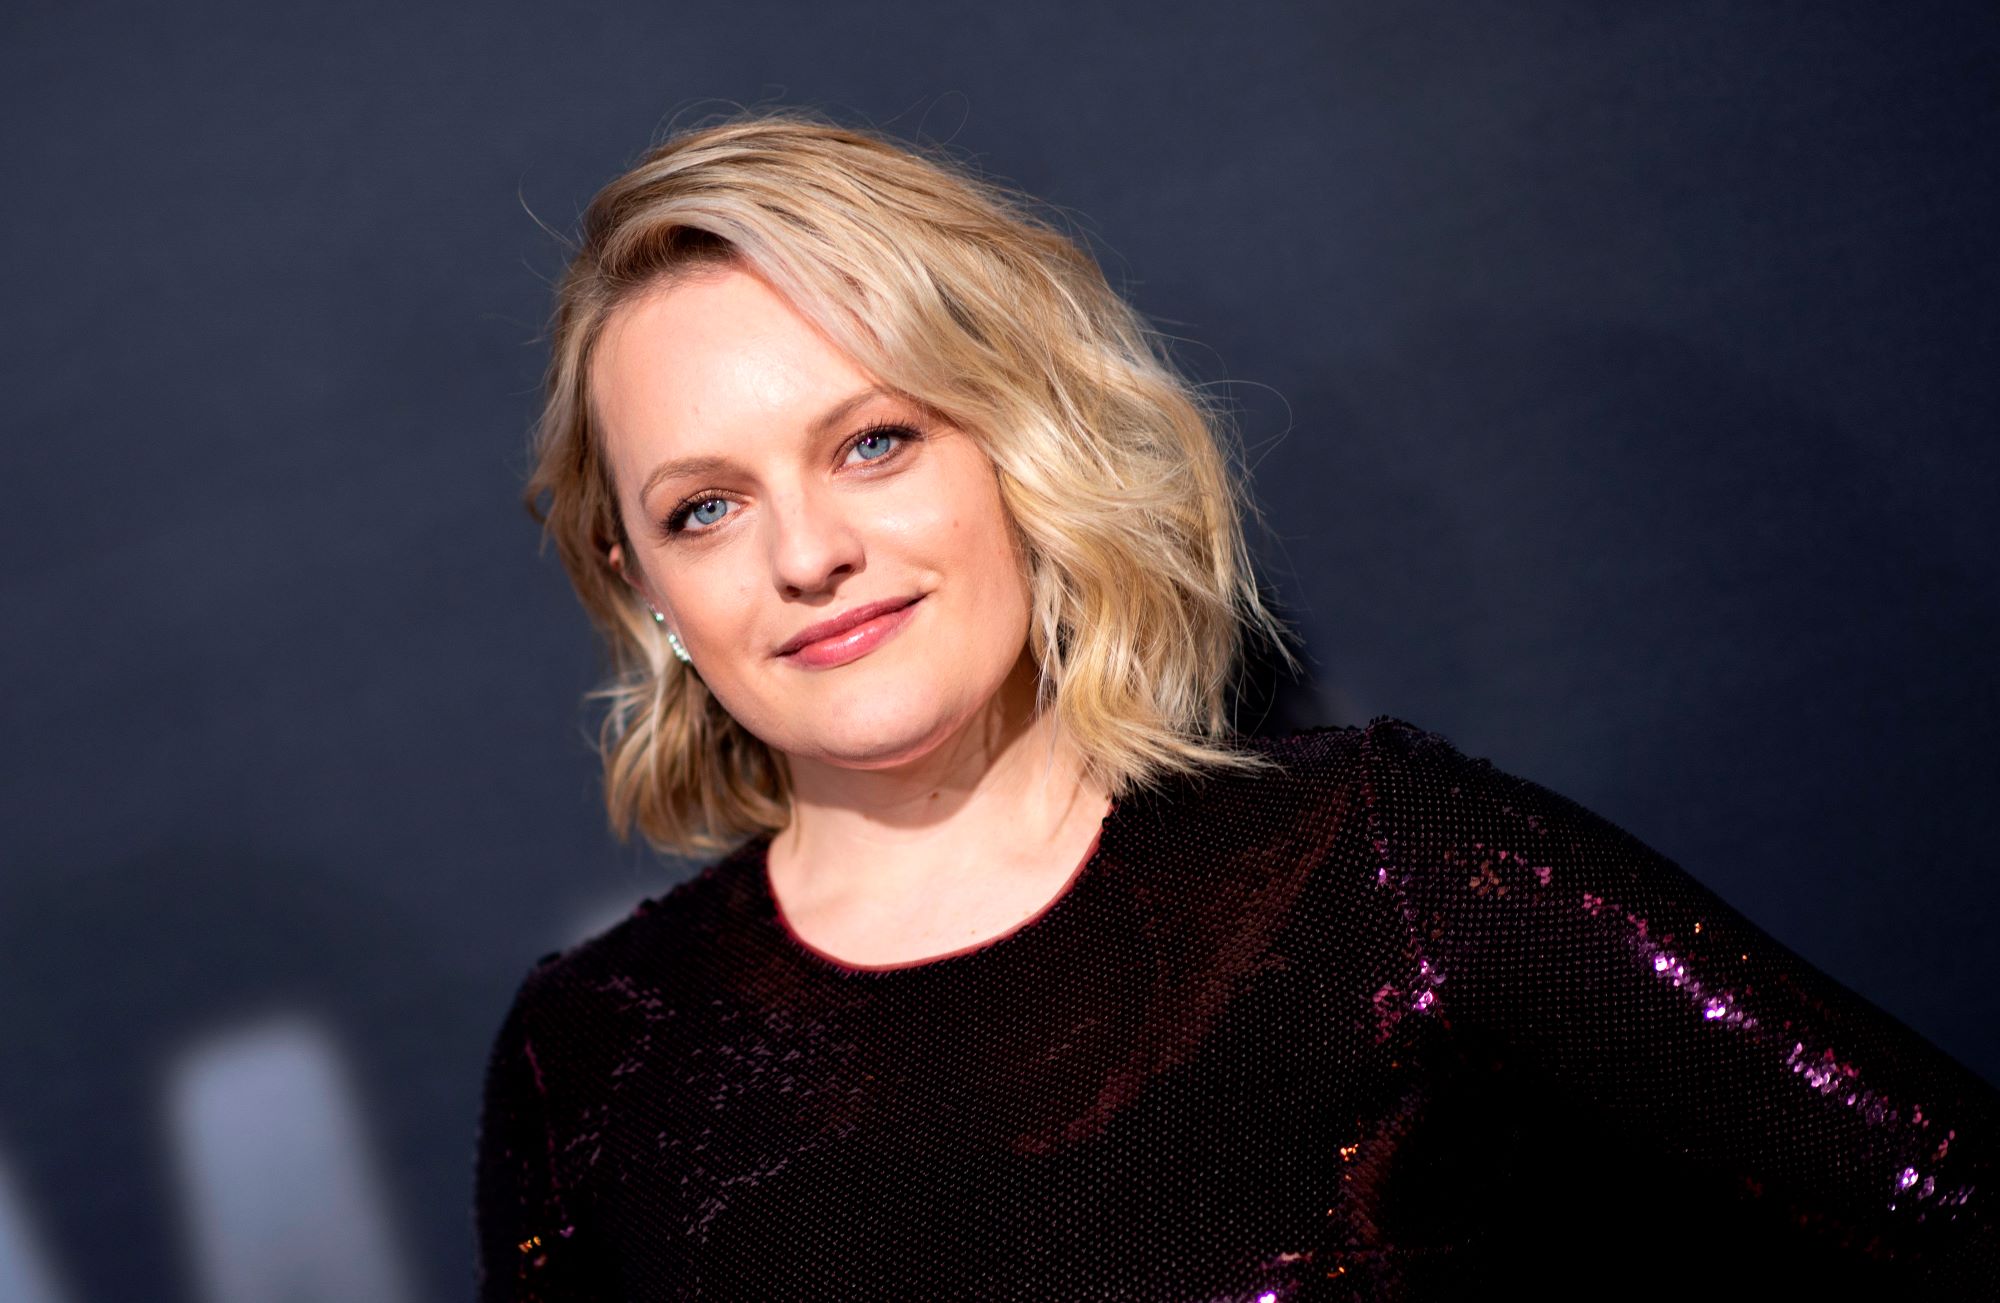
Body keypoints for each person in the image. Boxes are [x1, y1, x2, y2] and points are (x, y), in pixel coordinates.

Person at [474, 112, 1998, 1299]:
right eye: (705, 508)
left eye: (873, 441)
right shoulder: (593, 1063)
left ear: (1017, 442)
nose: (808, 554)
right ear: (640, 583)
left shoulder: (1381, 869)